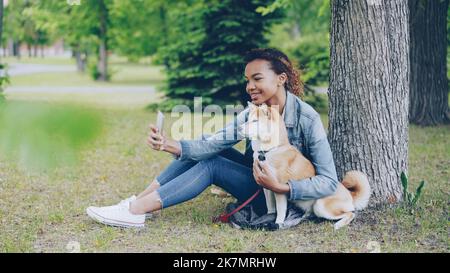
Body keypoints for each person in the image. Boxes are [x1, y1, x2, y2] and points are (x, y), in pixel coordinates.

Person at [86, 48, 339, 228]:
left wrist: (283, 187)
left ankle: (135, 212)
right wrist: (168, 144)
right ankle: (138, 202)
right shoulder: (253, 111)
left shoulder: (307, 118)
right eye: (247, 80)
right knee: (208, 149)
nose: (250, 86)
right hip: (257, 177)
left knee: (211, 165)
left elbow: (328, 181)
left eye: (257, 79)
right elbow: (214, 142)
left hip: (277, 194)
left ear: (281, 79)